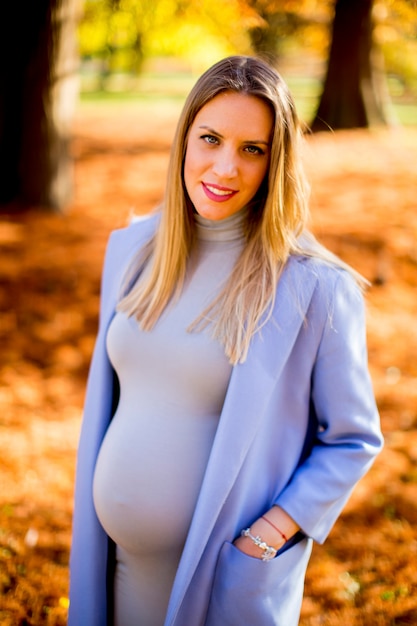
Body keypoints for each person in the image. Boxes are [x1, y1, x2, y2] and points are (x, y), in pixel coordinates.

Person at [68, 55, 383, 626]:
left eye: (252, 149)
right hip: (114, 572)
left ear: (276, 161)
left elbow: (352, 439)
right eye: (210, 139)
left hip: (220, 586)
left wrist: (266, 538)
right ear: (184, 139)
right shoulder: (132, 251)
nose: (224, 168)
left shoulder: (313, 287)